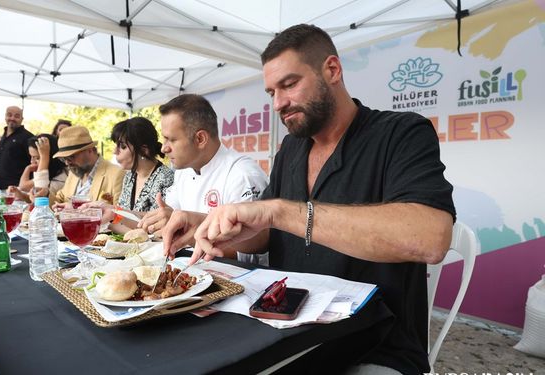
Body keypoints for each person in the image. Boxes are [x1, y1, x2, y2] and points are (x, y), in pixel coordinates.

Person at [161, 24, 455, 375]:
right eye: (271, 91)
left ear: (332, 70)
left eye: (289, 84)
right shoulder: (292, 148)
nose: (278, 103)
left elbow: (430, 238)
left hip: (374, 343)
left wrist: (281, 211)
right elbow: (265, 231)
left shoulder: (401, 133)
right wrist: (202, 223)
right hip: (286, 330)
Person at [138, 94, 268, 261]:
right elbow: (166, 219)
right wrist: (116, 214)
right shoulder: (183, 172)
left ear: (200, 139)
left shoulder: (242, 175)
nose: (163, 148)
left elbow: (253, 253)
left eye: (171, 140)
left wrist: (195, 235)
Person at [108, 117, 174, 234]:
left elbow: (155, 229)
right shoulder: (129, 176)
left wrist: (110, 220)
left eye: (122, 147)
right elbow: (119, 219)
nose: (115, 151)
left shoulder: (166, 178)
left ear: (144, 150)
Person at [50, 126, 125, 207]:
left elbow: (120, 214)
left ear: (90, 150)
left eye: (71, 157)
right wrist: (45, 194)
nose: (67, 163)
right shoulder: (74, 173)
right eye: (63, 159)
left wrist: (75, 210)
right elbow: (59, 202)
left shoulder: (117, 174)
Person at [8, 134, 68, 203]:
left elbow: (40, 199)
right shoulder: (49, 173)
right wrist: (20, 194)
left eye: (37, 158)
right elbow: (29, 192)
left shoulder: (61, 177)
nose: (32, 161)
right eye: (31, 157)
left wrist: (44, 157)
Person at [0, 106, 34, 189]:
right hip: (1, 186)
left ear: (22, 119)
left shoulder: (27, 137)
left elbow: (34, 162)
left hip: (18, 188)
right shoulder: (4, 134)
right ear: (5, 116)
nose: (12, 118)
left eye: (17, 116)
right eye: (9, 115)